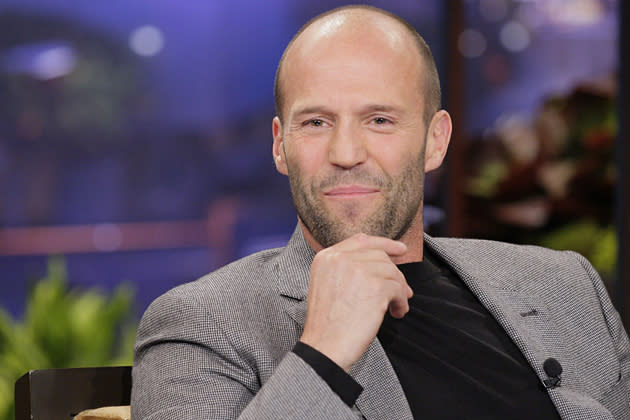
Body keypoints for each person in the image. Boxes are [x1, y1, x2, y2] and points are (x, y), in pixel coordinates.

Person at [131, 5, 630, 420]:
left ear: (436, 142)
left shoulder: (566, 287)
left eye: (380, 120)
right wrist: (322, 354)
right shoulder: (203, 323)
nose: (346, 151)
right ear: (281, 147)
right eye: (317, 121)